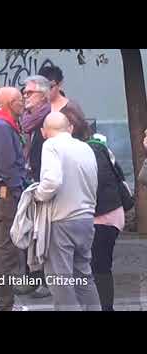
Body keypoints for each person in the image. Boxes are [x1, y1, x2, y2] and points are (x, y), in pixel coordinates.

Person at [34, 112, 101, 311]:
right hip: (86, 218)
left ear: (44, 132)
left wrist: (38, 194)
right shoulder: (86, 147)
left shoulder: (51, 145)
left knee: (60, 280)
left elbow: (52, 181)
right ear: (69, 128)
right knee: (84, 275)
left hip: (62, 219)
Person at [0, 87, 27, 311]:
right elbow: (6, 165)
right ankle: (2, 304)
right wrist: (18, 189)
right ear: (10, 103)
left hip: (5, 193)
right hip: (6, 196)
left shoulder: (2, 123)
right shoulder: (1, 126)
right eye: (21, 99)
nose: (24, 102)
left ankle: (1, 302)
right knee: (6, 251)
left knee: (2, 250)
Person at [88, 135, 125, 311]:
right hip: (106, 214)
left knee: (99, 265)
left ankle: (105, 308)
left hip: (104, 216)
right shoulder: (96, 147)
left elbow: (100, 183)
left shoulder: (92, 150)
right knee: (98, 265)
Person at [38, 65, 91, 141]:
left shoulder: (71, 107)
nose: (46, 91)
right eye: (42, 87)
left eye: (50, 87)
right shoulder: (37, 107)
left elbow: (84, 134)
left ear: (59, 84)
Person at [20, 75, 52, 182]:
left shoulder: (51, 119)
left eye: (29, 93)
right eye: (24, 93)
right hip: (29, 179)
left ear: (43, 95)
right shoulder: (25, 120)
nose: (25, 96)